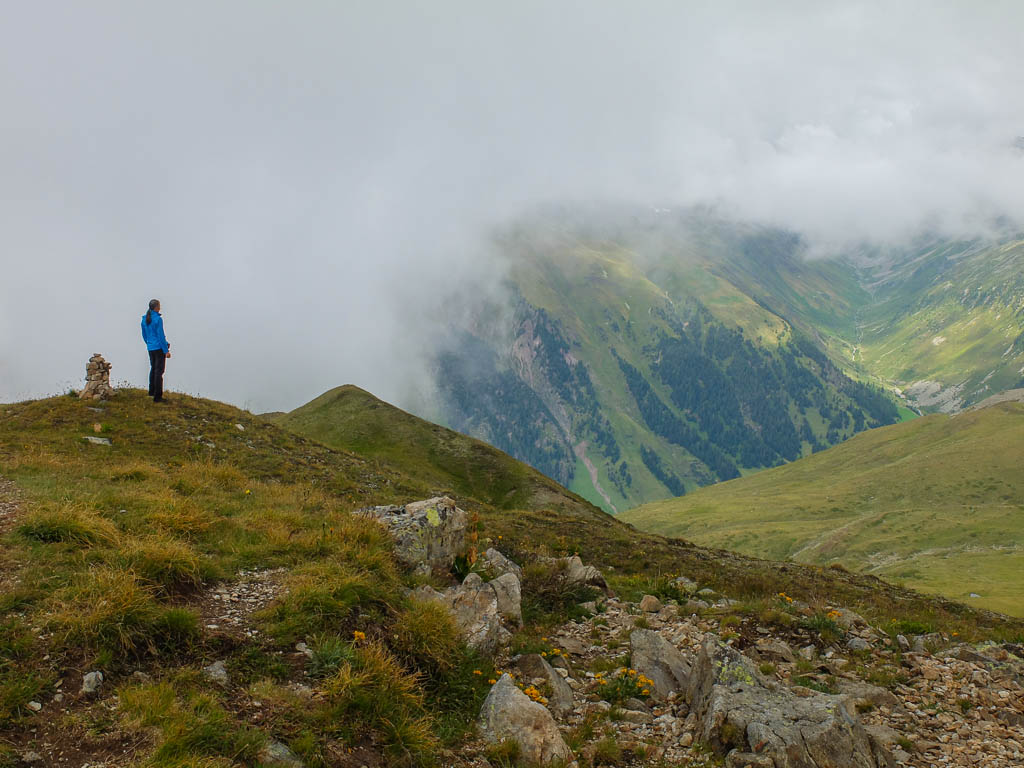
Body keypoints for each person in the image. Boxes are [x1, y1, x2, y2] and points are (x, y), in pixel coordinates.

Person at [141, 299, 171, 403]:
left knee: (153, 368)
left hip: (151, 347)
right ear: (156, 307)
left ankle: (151, 392)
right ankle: (158, 397)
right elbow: (160, 336)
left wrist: (149, 344)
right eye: (159, 306)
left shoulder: (144, 319)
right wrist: (166, 350)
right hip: (158, 348)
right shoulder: (158, 319)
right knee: (159, 371)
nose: (160, 308)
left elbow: (144, 335)